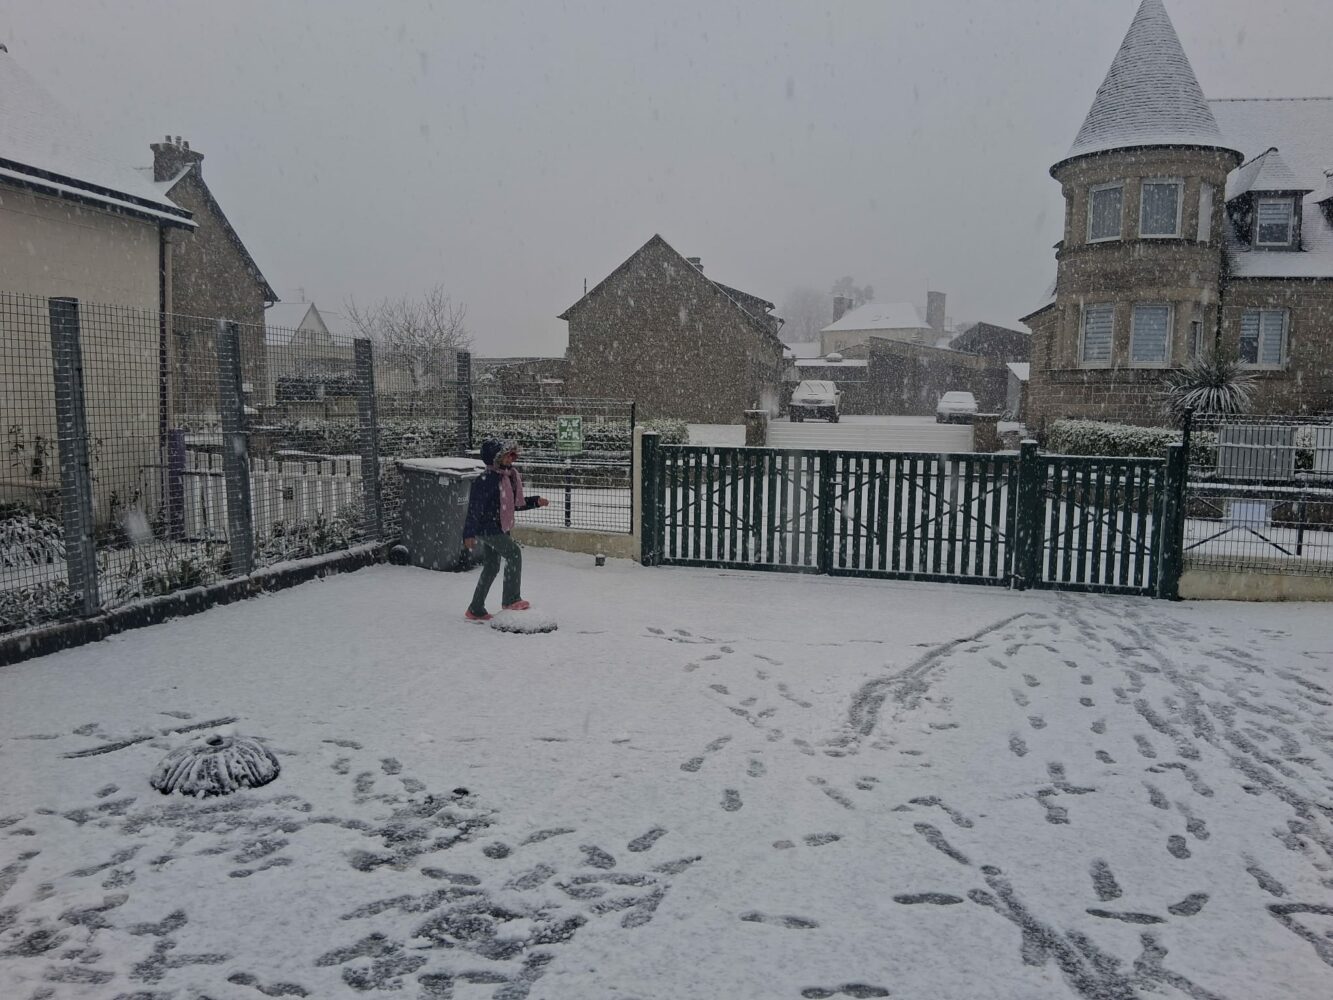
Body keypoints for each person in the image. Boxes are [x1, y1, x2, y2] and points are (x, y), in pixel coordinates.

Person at [462, 439, 548, 621]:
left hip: (499, 526)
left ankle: (475, 608)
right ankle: (511, 599)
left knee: (492, 566)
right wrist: (468, 533)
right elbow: (474, 508)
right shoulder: (486, 480)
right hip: (488, 528)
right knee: (514, 553)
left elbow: (514, 504)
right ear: (496, 459)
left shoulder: (508, 477)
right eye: (509, 455)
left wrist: (535, 501)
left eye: (514, 455)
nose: (512, 458)